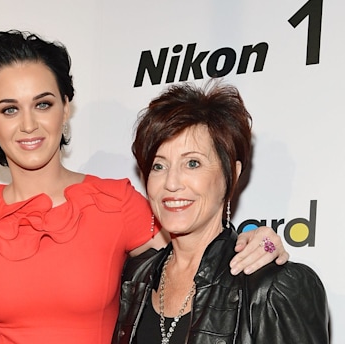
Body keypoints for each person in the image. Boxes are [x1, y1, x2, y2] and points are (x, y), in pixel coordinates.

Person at [0, 30, 289, 344]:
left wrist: (257, 241)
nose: (28, 124)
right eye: (9, 109)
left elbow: (199, 253)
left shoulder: (114, 203)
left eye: (43, 104)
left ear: (65, 107)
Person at [112, 81, 329, 343]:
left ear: (232, 175)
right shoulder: (135, 278)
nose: (171, 183)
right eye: (159, 166)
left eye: (192, 163)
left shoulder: (272, 289)